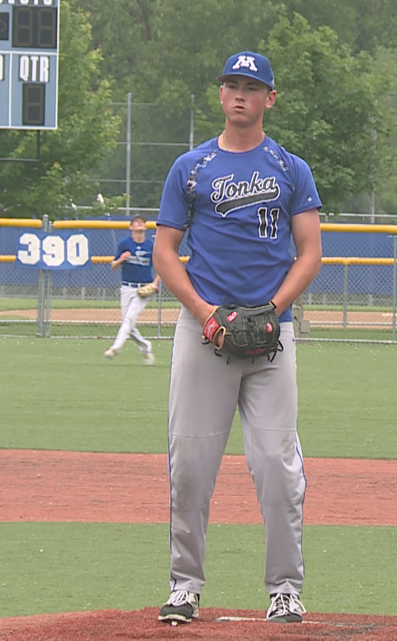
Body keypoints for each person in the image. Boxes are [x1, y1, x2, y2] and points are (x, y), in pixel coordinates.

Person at [151, 50, 323, 625]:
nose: (241, 93)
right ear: (220, 95)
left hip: (271, 337)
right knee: (192, 464)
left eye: (252, 86)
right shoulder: (191, 167)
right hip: (205, 332)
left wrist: (274, 310)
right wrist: (203, 313)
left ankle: (285, 589)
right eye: (232, 84)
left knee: (276, 464)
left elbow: (310, 252)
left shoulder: (290, 168)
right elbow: (165, 252)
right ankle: (184, 585)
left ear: (270, 98)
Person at [104, 215, 160, 365]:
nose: (140, 224)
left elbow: (161, 266)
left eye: (142, 222)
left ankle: (115, 348)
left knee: (129, 319)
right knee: (128, 323)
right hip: (127, 287)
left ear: (145, 227)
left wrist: (155, 283)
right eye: (136, 222)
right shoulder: (125, 244)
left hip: (143, 288)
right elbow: (113, 266)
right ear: (131, 227)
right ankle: (145, 345)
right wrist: (121, 259)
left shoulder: (151, 245)